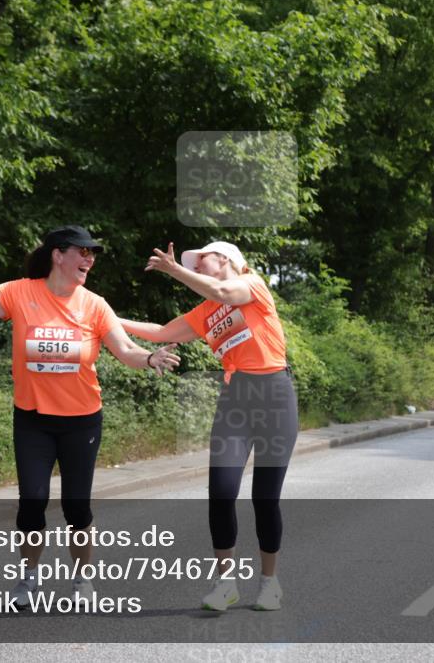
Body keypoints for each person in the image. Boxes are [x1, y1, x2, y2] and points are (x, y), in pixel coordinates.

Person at [0, 225, 180, 607]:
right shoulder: (20, 293)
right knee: (32, 502)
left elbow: (126, 349)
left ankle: (82, 579)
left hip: (81, 421)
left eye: (92, 254)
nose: (89, 259)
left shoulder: (94, 305)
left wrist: (149, 358)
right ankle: (29, 578)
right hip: (33, 420)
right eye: (83, 251)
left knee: (76, 507)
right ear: (58, 255)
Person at [119, 241, 297, 612]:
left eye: (203, 259)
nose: (197, 265)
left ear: (227, 259)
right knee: (221, 491)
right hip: (236, 400)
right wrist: (106, 318)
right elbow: (161, 332)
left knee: (265, 499)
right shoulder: (206, 311)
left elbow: (222, 291)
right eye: (194, 262)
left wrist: (174, 270)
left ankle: (270, 583)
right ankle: (225, 584)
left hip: (274, 397)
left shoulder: (251, 285)